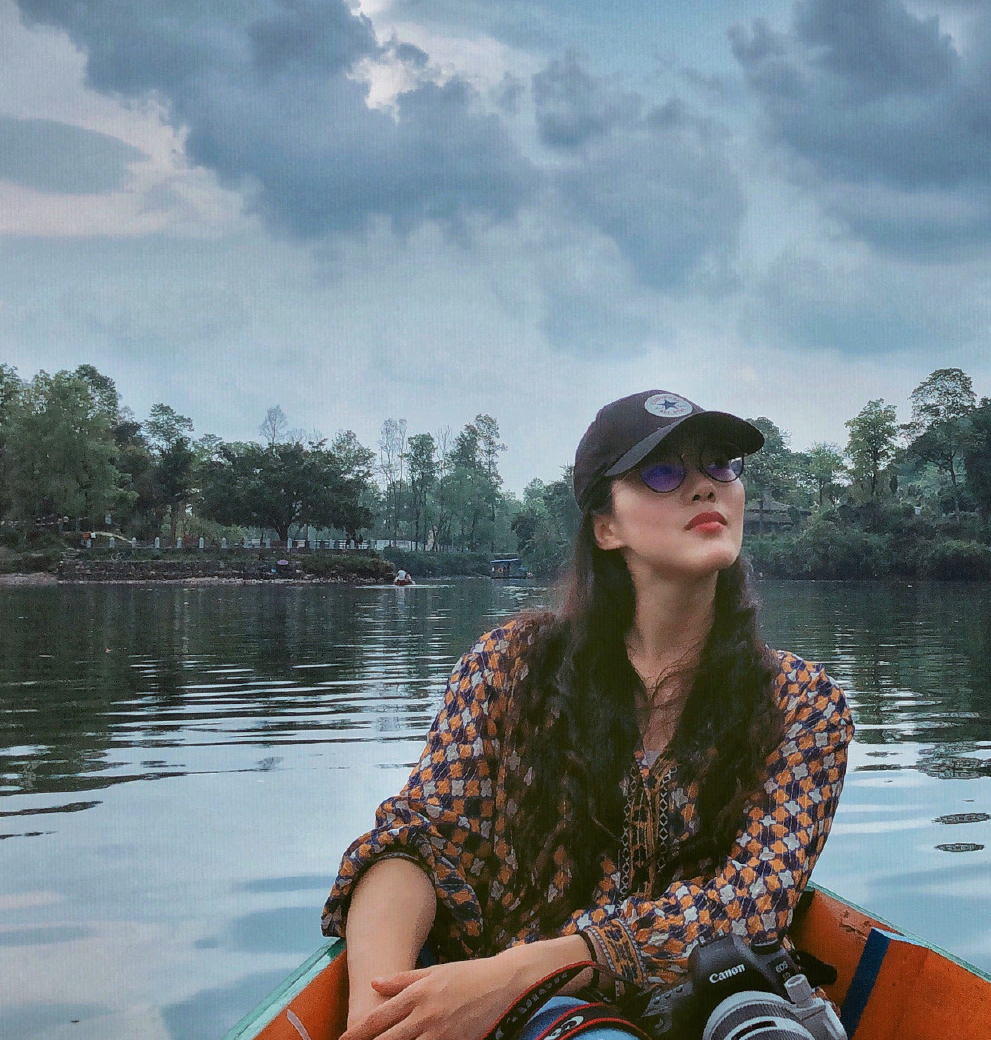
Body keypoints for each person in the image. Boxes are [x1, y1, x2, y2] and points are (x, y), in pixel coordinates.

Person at [321, 389, 856, 1040]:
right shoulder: (509, 669)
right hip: (538, 1021)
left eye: (718, 464)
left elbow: (750, 904)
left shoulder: (802, 702)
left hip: (716, 1003)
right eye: (663, 473)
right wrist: (377, 1019)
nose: (704, 487)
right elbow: (418, 844)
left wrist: (526, 970)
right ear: (606, 527)